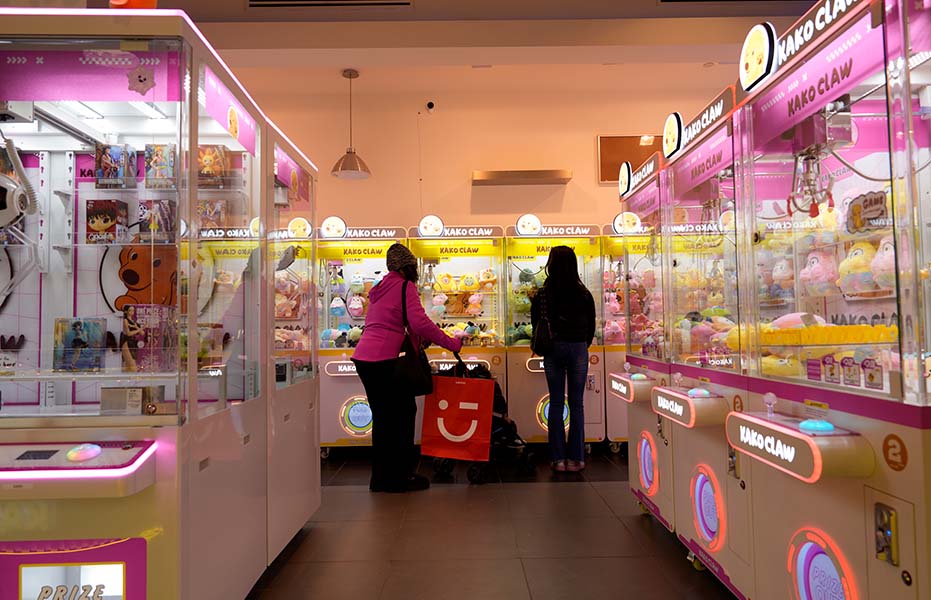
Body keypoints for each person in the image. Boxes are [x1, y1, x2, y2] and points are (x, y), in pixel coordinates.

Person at [352, 243, 463, 493]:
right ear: (408, 267)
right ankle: (400, 478)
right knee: (402, 415)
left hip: (365, 358)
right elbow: (419, 322)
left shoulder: (380, 287)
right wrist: (451, 343)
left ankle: (381, 478)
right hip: (386, 359)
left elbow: (393, 321)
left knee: (383, 420)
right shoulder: (405, 286)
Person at [530, 245, 596, 473]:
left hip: (553, 349)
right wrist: (581, 344)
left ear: (551, 264)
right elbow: (591, 325)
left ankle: (558, 459)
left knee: (556, 403)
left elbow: (535, 323)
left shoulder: (543, 294)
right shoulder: (584, 293)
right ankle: (577, 459)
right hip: (578, 348)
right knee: (577, 403)